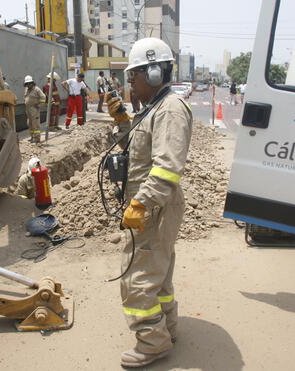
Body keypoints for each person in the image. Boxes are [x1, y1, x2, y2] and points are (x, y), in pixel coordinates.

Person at [106, 37, 193, 368]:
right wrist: (122, 122)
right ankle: (167, 329)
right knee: (159, 274)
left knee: (137, 279)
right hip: (152, 205)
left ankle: (153, 343)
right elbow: (139, 152)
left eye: (133, 77)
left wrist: (139, 206)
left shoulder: (170, 110)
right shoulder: (154, 109)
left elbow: (167, 169)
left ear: (154, 74)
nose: (130, 83)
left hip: (154, 207)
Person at [24, 75, 46, 143]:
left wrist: (40, 105)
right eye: (27, 84)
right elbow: (25, 97)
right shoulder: (26, 89)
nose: (28, 85)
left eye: (29, 83)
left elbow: (43, 97)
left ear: (32, 83)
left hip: (34, 109)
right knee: (29, 124)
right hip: (28, 109)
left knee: (35, 124)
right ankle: (32, 137)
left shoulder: (36, 89)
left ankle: (37, 139)